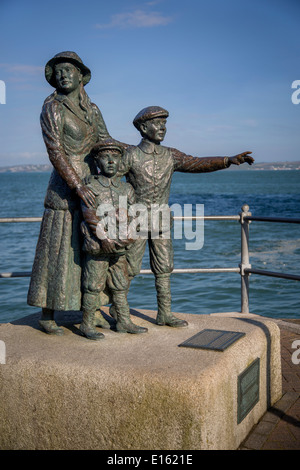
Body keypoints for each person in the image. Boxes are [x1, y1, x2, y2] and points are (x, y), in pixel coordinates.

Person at [115, 106, 254, 328]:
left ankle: (164, 314)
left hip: (161, 219)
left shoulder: (170, 155)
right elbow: (112, 180)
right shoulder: (130, 155)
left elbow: (197, 163)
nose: (162, 128)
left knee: (164, 268)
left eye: (164, 124)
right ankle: (120, 315)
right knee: (128, 267)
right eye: (157, 123)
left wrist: (228, 160)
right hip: (136, 218)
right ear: (143, 127)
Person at [27, 51, 117, 335]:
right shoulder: (52, 107)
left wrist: (138, 151)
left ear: (81, 75)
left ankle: (91, 310)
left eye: (68, 70)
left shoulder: (93, 109)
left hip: (94, 186)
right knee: (59, 250)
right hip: (66, 188)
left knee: (91, 250)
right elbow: (55, 151)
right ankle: (47, 313)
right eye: (58, 72)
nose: (63, 75)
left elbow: (107, 141)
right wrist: (77, 186)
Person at [79, 139, 148, 340]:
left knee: (120, 284)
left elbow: (135, 214)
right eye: (105, 157)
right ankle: (87, 323)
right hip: (98, 247)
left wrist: (129, 236)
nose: (111, 161)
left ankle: (123, 320)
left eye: (116, 157)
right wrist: (104, 238)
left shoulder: (126, 189)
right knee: (93, 285)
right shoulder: (90, 186)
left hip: (120, 247)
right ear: (97, 161)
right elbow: (89, 214)